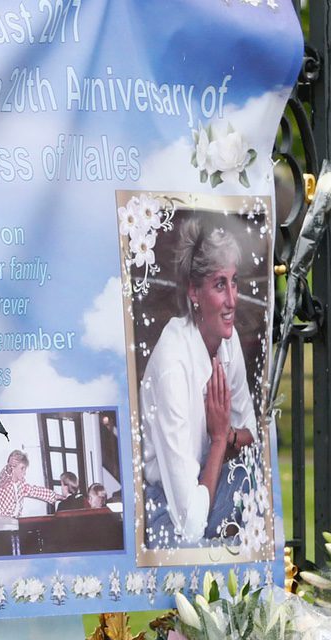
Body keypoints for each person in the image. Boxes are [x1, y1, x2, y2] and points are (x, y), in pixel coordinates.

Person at [140, 216, 257, 548]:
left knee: (253, 480)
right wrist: (221, 438)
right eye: (220, 284)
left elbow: (252, 435)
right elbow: (189, 523)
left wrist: (229, 434)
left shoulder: (225, 338)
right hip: (168, 508)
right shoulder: (172, 364)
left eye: (235, 282)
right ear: (194, 291)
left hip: (210, 482)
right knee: (218, 555)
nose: (233, 300)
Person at [0, 450, 63, 517]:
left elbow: (37, 491)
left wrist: (59, 496)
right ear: (13, 467)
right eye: (22, 468)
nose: (24, 472)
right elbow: (6, 472)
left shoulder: (21, 486)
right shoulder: (4, 481)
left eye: (25, 469)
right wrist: (9, 465)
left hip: (13, 521)